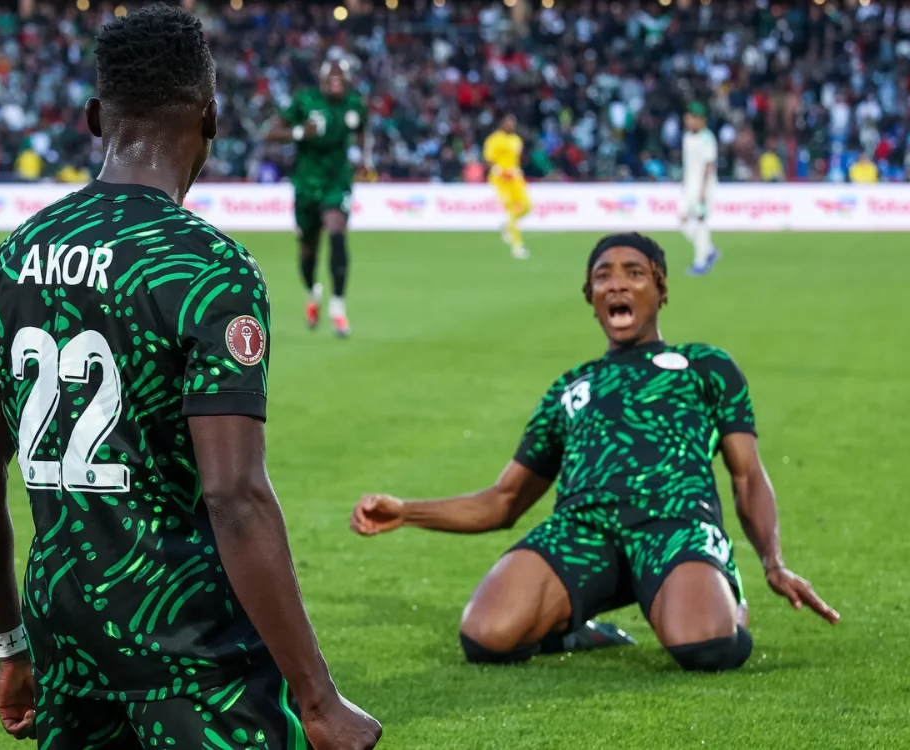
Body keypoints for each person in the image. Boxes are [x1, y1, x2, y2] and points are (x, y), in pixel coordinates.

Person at [0, 7, 381, 749]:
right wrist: (316, 697)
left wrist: (8, 645)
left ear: (93, 117)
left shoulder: (13, 257)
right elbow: (234, 495)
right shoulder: (206, 267)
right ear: (210, 117)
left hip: (66, 633)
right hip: (188, 636)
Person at [350, 233, 839, 672]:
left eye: (634, 273)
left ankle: (721, 596)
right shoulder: (570, 387)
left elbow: (748, 476)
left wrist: (772, 562)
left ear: (661, 288)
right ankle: (574, 632)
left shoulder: (705, 365)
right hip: (583, 531)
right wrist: (406, 511)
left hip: (675, 525)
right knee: (486, 636)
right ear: (591, 297)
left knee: (705, 646)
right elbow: (504, 500)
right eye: (603, 276)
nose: (617, 285)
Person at [265, 59, 370, 337]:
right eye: (331, 76)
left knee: (337, 233)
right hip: (307, 183)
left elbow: (361, 131)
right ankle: (313, 293)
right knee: (308, 249)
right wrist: (300, 132)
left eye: (341, 76)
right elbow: (272, 133)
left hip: (337, 181)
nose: (336, 80)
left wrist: (363, 160)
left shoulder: (355, 104)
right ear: (322, 80)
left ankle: (338, 306)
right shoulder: (304, 101)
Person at [482, 114, 532, 259]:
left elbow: (516, 159)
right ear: (503, 124)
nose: (511, 126)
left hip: (515, 178)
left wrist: (516, 170)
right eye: (509, 123)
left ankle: (506, 225)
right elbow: (488, 159)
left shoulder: (517, 140)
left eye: (513, 123)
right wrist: (498, 170)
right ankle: (517, 246)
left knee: (527, 207)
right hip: (500, 180)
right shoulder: (494, 140)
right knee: (511, 209)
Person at [680, 103, 720, 275]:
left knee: (701, 221)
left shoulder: (707, 138)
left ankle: (700, 262)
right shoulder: (687, 137)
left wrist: (703, 189)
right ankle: (709, 250)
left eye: (691, 118)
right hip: (689, 185)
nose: (688, 122)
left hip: (703, 186)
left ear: (700, 119)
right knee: (682, 221)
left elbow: (708, 165)